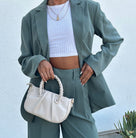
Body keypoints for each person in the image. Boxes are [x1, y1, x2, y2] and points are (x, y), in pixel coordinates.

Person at [18, 0, 124, 137]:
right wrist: (38, 62)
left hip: (79, 83)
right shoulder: (30, 18)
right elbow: (25, 59)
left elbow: (114, 40)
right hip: (43, 88)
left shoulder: (89, 8)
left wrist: (94, 64)